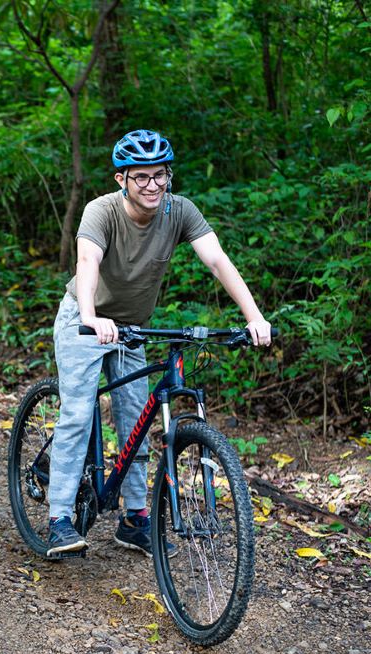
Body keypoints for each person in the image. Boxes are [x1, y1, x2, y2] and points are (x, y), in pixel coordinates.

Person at [46, 130, 272, 557]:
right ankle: (59, 516)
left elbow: (217, 260)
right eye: (142, 177)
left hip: (132, 326)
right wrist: (93, 316)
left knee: (136, 421)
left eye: (160, 175)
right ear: (122, 180)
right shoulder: (101, 211)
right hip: (85, 317)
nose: (153, 185)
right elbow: (87, 260)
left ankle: (134, 520)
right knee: (77, 412)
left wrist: (253, 316)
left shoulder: (179, 210)